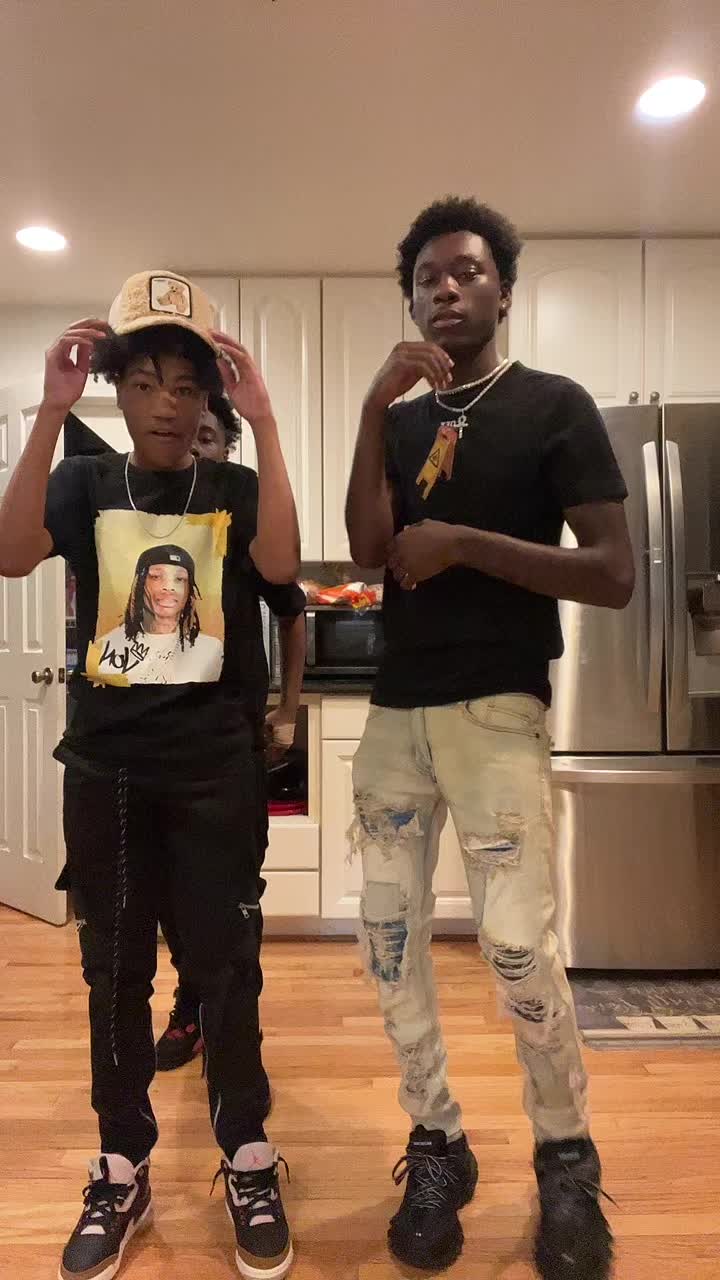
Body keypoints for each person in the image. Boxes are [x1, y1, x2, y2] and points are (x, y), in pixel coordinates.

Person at [345, 199, 634, 1279]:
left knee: (516, 946)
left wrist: (465, 542)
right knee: (387, 940)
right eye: (427, 277)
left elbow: (613, 573)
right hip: (396, 713)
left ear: (503, 290)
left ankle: (565, 1155)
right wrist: (371, 410)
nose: (446, 289)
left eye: (467, 271)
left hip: (498, 712)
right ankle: (438, 1140)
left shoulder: (555, 406)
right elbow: (368, 549)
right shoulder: (403, 421)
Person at [0, 270, 300, 1280]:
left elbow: (284, 566)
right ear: (118, 391)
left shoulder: (235, 490)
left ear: (208, 395)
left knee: (227, 969)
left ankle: (248, 1154)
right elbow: (10, 553)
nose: (167, 404)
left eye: (186, 385)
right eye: (144, 383)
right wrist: (50, 409)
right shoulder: (85, 484)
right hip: (111, 772)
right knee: (115, 972)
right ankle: (122, 1166)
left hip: (215, 771)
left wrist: (266, 419)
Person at [155, 392, 307, 1072]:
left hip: (232, 744)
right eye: (189, 436)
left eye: (210, 436)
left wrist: (288, 710)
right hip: (156, 748)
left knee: (234, 899)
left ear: (226, 448)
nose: (196, 446)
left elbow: (293, 614)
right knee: (170, 898)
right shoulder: (146, 525)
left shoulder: (245, 516)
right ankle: (193, 1005)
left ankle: (236, 1034)